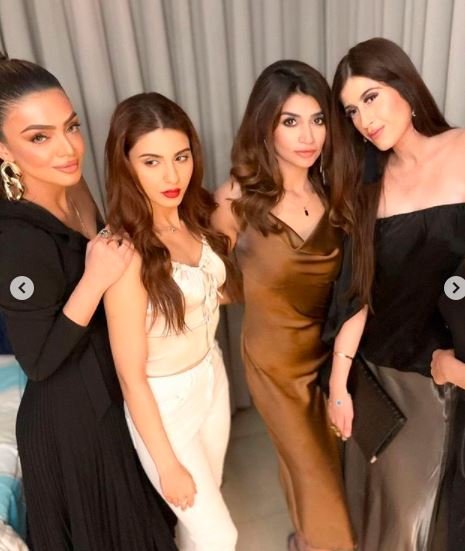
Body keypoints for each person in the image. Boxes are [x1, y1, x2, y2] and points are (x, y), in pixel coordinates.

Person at [0, 55, 177, 551]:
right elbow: (38, 361)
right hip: (70, 421)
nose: (67, 148)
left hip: (109, 389)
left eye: (71, 127)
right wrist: (94, 281)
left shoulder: (72, 186)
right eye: (39, 137)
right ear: (3, 149)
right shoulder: (14, 237)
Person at [324, 37, 465, 551]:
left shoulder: (462, 149)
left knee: (427, 518)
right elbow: (358, 292)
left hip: (446, 372)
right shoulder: (368, 189)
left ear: (404, 84)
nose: (364, 119)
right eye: (351, 110)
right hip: (387, 369)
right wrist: (339, 384)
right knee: (392, 513)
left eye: (371, 97)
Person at [212, 60, 356, 551]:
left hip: (334, 353)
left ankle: (306, 538)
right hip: (276, 364)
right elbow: (218, 286)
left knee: (334, 462)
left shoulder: (335, 191)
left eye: (318, 120)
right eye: (290, 121)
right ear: (265, 125)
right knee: (315, 470)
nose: (308, 136)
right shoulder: (234, 199)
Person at [103, 92, 238, 551]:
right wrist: (165, 464)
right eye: (152, 161)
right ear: (126, 166)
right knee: (220, 535)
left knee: (201, 518)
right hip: (164, 402)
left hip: (211, 375)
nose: (172, 175)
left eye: (181, 157)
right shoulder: (124, 252)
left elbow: (213, 293)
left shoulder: (195, 216)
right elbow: (130, 375)